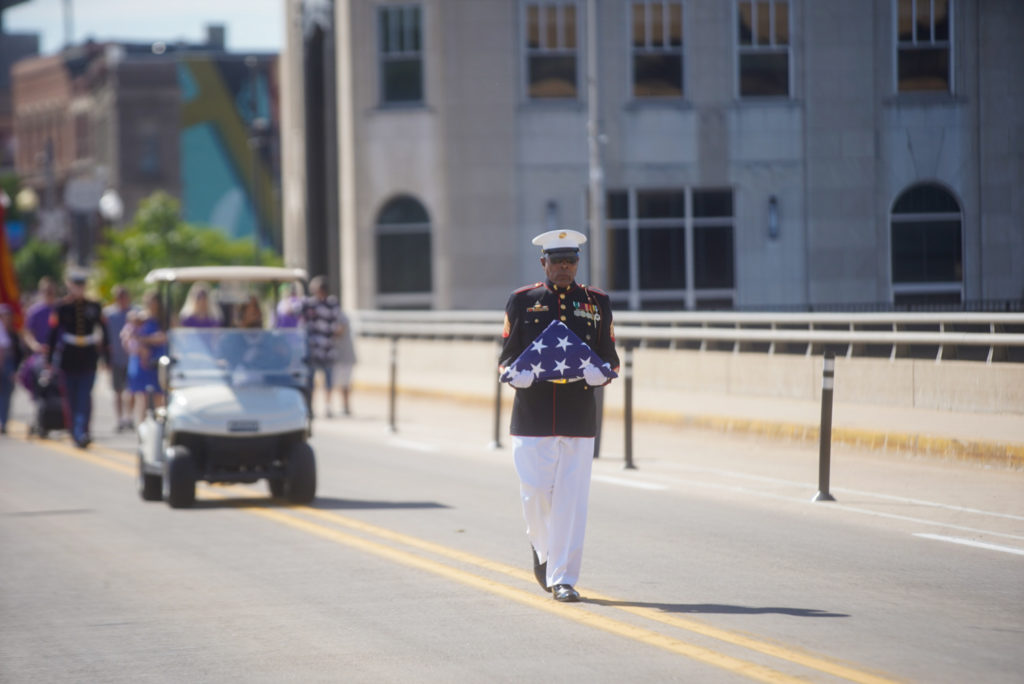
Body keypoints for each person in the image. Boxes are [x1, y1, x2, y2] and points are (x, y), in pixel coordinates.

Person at [499, 229, 619, 603]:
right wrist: (514, 375)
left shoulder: (596, 302)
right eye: (557, 262)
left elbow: (610, 357)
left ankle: (563, 577)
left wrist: (603, 373)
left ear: (578, 263)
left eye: (571, 261)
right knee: (534, 493)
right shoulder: (523, 301)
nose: (565, 268)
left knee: (571, 500)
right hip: (532, 415)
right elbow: (506, 355)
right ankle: (543, 549)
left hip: (578, 414)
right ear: (544, 264)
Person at [46, 272, 110, 448]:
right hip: (69, 356)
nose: (79, 289)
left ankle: (83, 431)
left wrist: (107, 358)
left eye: (82, 285)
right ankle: (74, 431)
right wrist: (49, 360)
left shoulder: (94, 306)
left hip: (88, 355)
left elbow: (104, 332)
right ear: (69, 286)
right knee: (70, 398)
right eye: (76, 285)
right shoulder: (62, 307)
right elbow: (52, 334)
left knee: (84, 397)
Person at [302, 276, 342, 417]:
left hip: (327, 349)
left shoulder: (332, 303)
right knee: (310, 381)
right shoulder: (309, 304)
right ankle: (310, 407)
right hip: (313, 349)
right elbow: (293, 310)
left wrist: (332, 337)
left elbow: (338, 325)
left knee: (329, 380)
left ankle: (327, 406)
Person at [126, 291, 167, 425]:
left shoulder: (163, 319)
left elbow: (164, 337)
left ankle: (158, 426)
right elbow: (128, 337)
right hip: (143, 361)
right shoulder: (139, 319)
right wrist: (140, 345)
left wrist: (146, 339)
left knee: (159, 396)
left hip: (158, 359)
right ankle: (142, 427)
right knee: (142, 396)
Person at [103, 285, 136, 431]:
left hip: (132, 358)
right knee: (117, 391)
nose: (121, 299)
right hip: (115, 358)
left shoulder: (135, 313)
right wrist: (105, 359)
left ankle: (129, 417)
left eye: (124, 296)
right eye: (119, 296)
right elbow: (104, 338)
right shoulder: (109, 314)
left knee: (131, 391)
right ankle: (119, 419)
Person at [0, 303, 24, 435]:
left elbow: (18, 353)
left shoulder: (13, 334)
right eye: (3, 316)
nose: (6, 319)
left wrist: (15, 370)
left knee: (6, 395)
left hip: (8, 366)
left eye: (8, 316)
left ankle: (3, 421)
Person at [23, 276, 58, 355]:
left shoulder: (61, 309)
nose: (49, 293)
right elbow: (27, 333)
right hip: (40, 354)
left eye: (51, 291)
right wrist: (35, 345)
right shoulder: (33, 311)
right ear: (40, 291)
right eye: (46, 290)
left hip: (59, 353)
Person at [332, 307, 356, 416]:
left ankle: (346, 406)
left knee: (345, 383)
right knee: (340, 383)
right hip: (338, 356)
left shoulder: (341, 317)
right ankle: (344, 406)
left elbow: (339, 331)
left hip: (345, 356)